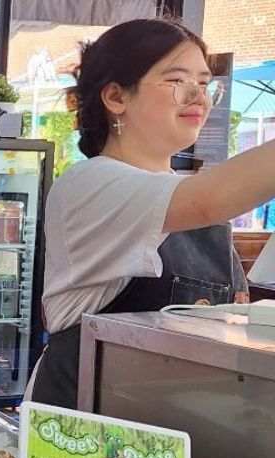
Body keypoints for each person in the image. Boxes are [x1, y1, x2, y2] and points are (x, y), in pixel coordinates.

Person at [31, 17, 275, 408]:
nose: (198, 96)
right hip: (86, 439)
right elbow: (210, 199)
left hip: (181, 427)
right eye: (177, 81)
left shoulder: (187, 198)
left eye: (204, 82)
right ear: (116, 97)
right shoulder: (91, 184)